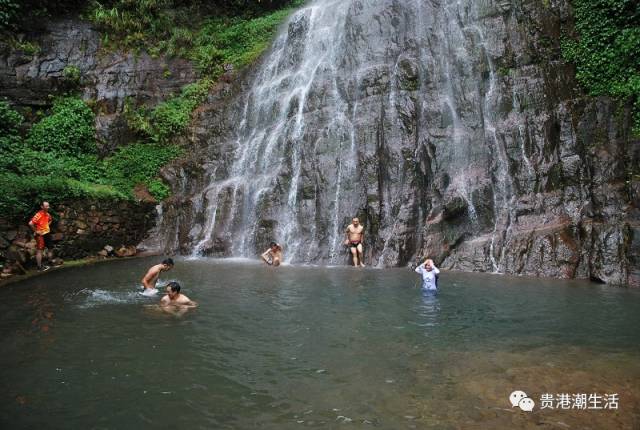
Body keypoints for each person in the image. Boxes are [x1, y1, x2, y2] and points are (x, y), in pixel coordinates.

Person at [28, 201, 53, 271]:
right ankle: (39, 267)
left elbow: (50, 220)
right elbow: (30, 223)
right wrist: (36, 231)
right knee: (40, 250)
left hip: (47, 233)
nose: (48, 207)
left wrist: (46, 226)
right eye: (46, 206)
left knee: (50, 248)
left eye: (48, 206)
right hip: (40, 235)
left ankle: (50, 262)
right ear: (42, 207)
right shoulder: (38, 215)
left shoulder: (48, 214)